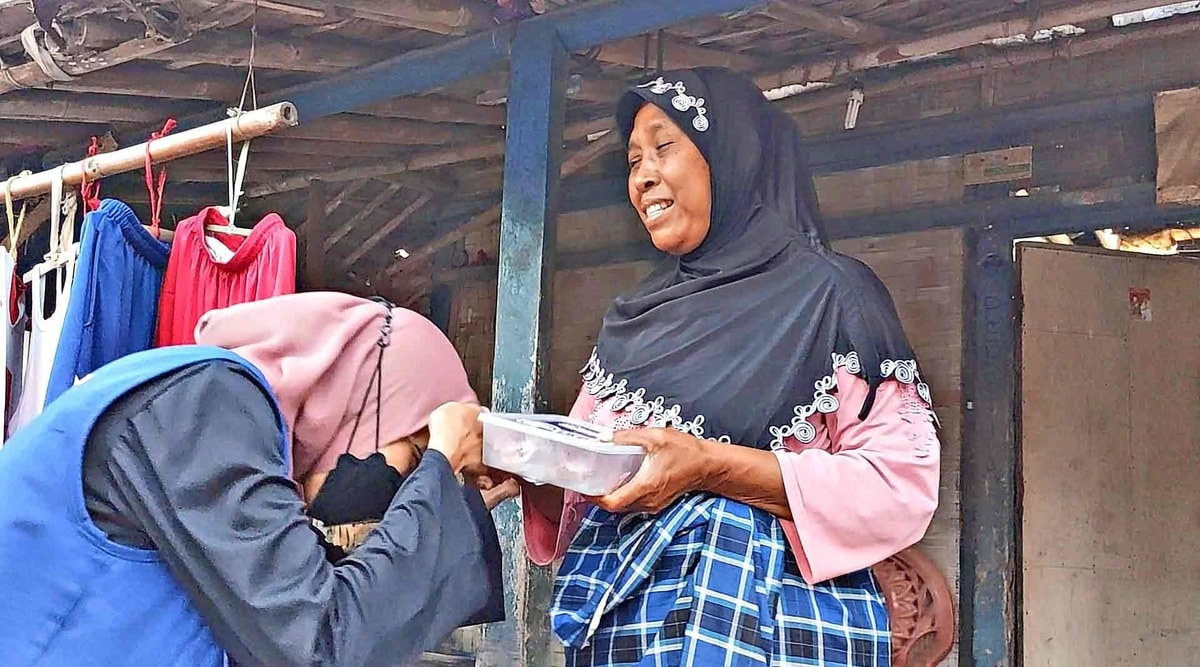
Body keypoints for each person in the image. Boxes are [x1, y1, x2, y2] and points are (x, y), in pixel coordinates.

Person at [520, 67, 942, 666]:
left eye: (664, 147)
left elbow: (900, 485)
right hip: (627, 630)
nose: (642, 176)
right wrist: (526, 468)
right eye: (633, 159)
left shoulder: (832, 296)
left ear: (730, 156)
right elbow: (590, 483)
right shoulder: (630, 322)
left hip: (777, 630)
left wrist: (712, 467)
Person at [0, 291, 519, 667]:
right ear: (368, 399)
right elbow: (318, 641)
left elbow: (304, 595)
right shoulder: (204, 402)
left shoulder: (212, 416)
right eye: (410, 458)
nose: (394, 490)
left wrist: (451, 507)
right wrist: (441, 471)